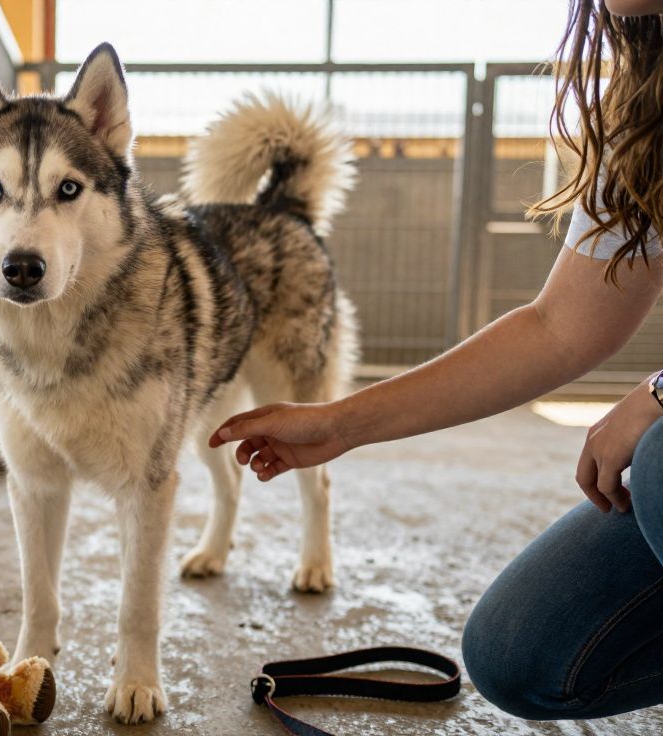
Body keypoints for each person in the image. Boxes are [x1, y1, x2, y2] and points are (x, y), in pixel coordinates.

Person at [208, 0, 663, 721]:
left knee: (661, 461)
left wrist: (659, 393)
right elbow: (558, 328)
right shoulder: (643, 117)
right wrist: (340, 423)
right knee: (516, 655)